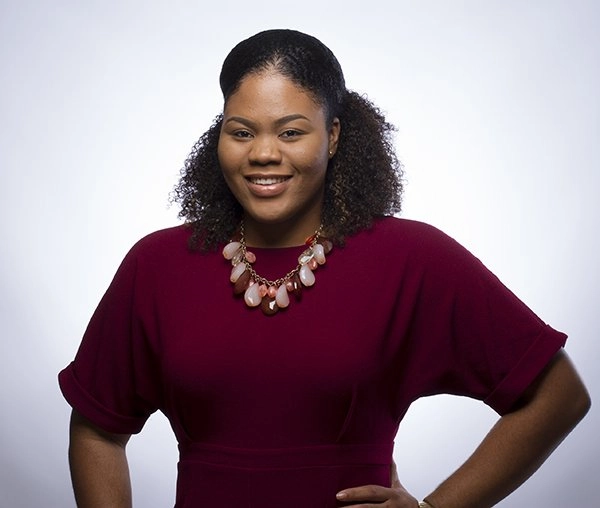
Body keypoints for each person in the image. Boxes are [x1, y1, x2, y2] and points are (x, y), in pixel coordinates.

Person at [59, 29, 590, 507]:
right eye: (241, 132)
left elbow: (559, 394)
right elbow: (97, 429)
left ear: (333, 136)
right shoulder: (157, 266)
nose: (263, 153)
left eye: (291, 132)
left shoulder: (411, 258)